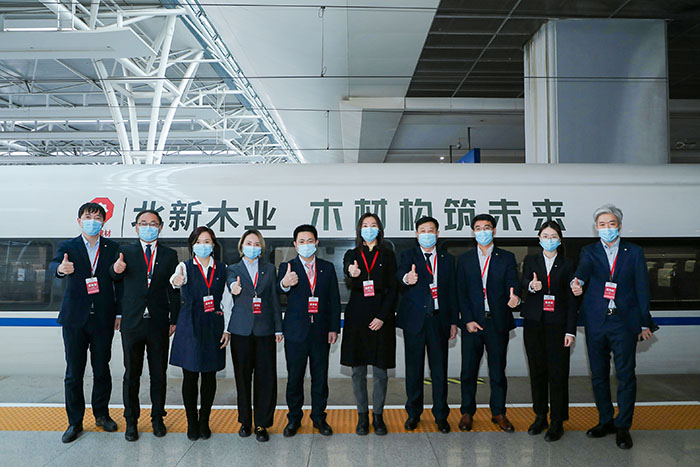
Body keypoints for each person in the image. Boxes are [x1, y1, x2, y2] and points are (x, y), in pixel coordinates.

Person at [571, 204, 656, 450]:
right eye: (602, 224)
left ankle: (623, 426)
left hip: (624, 322)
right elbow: (582, 273)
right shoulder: (589, 251)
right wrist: (577, 283)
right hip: (596, 321)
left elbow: (642, 288)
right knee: (598, 374)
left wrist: (644, 322)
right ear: (595, 227)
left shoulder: (634, 252)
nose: (606, 228)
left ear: (619, 225)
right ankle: (605, 420)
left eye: (611, 223)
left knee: (625, 375)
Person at [49, 202, 120, 443]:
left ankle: (102, 415)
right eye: (88, 217)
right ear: (79, 221)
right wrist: (61, 269)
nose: (93, 221)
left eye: (97, 217)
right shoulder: (68, 246)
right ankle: (75, 421)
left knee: (102, 369)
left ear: (104, 222)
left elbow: (118, 282)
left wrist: (119, 314)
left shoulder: (112, 248)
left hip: (103, 318)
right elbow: (52, 266)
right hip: (74, 319)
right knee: (74, 372)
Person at [110, 209, 180, 442]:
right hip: (132, 322)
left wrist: (174, 318)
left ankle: (157, 418)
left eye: (153, 223)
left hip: (158, 323)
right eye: (143, 223)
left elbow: (173, 289)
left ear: (160, 227)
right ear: (136, 227)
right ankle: (131, 421)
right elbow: (115, 281)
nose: (148, 227)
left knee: (159, 374)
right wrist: (115, 270)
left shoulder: (169, 255)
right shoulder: (126, 252)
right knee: (132, 374)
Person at [457, 213, 520, 432]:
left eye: (486, 227)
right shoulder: (464, 259)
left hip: (497, 322)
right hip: (472, 323)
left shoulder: (507, 257)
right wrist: (467, 320)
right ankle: (467, 412)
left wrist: (515, 297)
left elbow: (513, 283)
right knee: (468, 371)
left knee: (497, 371)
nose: (482, 231)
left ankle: (499, 413)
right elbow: (461, 292)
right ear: (473, 232)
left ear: (493, 230)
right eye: (478, 228)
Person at [396, 216, 458, 434]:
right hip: (415, 322)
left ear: (438, 234)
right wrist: (406, 278)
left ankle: (441, 415)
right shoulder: (407, 256)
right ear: (416, 234)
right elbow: (398, 276)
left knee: (439, 371)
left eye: (431, 230)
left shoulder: (448, 259)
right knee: (414, 370)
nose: (427, 234)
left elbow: (452, 291)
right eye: (422, 230)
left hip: (439, 321)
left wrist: (453, 321)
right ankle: (413, 414)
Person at [278, 224, 341, 437]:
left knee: (320, 378)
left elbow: (334, 300)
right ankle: (294, 419)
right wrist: (284, 284)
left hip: (321, 332)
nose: (306, 245)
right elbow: (277, 290)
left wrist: (334, 328)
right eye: (301, 241)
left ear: (317, 243)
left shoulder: (327, 268)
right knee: (294, 378)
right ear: (295, 245)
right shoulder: (287, 267)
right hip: (296, 332)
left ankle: (319, 418)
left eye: (310, 241)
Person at [341, 213, 398, 436]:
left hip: (382, 317)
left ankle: (378, 416)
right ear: (359, 230)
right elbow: (348, 268)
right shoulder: (352, 253)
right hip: (357, 317)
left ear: (379, 229)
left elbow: (394, 288)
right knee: (358, 371)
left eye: (373, 225)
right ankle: (362, 416)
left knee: (381, 372)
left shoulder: (388, 254)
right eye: (365, 225)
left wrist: (383, 316)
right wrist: (351, 271)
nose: (369, 228)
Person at [520, 220, 577, 441]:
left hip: (559, 326)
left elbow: (572, 300)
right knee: (537, 372)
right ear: (539, 239)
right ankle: (540, 415)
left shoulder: (568, 264)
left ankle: (557, 421)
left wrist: (570, 330)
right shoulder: (531, 260)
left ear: (560, 240)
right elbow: (523, 281)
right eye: (545, 236)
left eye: (553, 236)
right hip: (534, 324)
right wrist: (530, 286)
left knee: (558, 373)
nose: (549, 240)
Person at [169, 226, 228, 441]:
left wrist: (227, 330)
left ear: (213, 245)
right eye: (199, 241)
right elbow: (175, 280)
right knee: (190, 375)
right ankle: (191, 422)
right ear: (192, 245)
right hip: (190, 325)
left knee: (210, 375)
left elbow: (227, 301)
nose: (203, 245)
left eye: (207, 241)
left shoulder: (222, 268)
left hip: (213, 325)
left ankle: (204, 420)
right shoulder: (184, 267)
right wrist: (176, 281)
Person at [227, 229, 283, 442]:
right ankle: (245, 421)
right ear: (242, 246)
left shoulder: (269, 269)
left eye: (257, 244)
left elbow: (274, 300)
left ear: (262, 248)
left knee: (265, 379)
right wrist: (233, 287)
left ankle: (262, 423)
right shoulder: (233, 268)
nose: (252, 247)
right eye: (249, 243)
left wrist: (278, 328)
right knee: (242, 378)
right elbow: (231, 283)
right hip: (241, 331)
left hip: (265, 331)